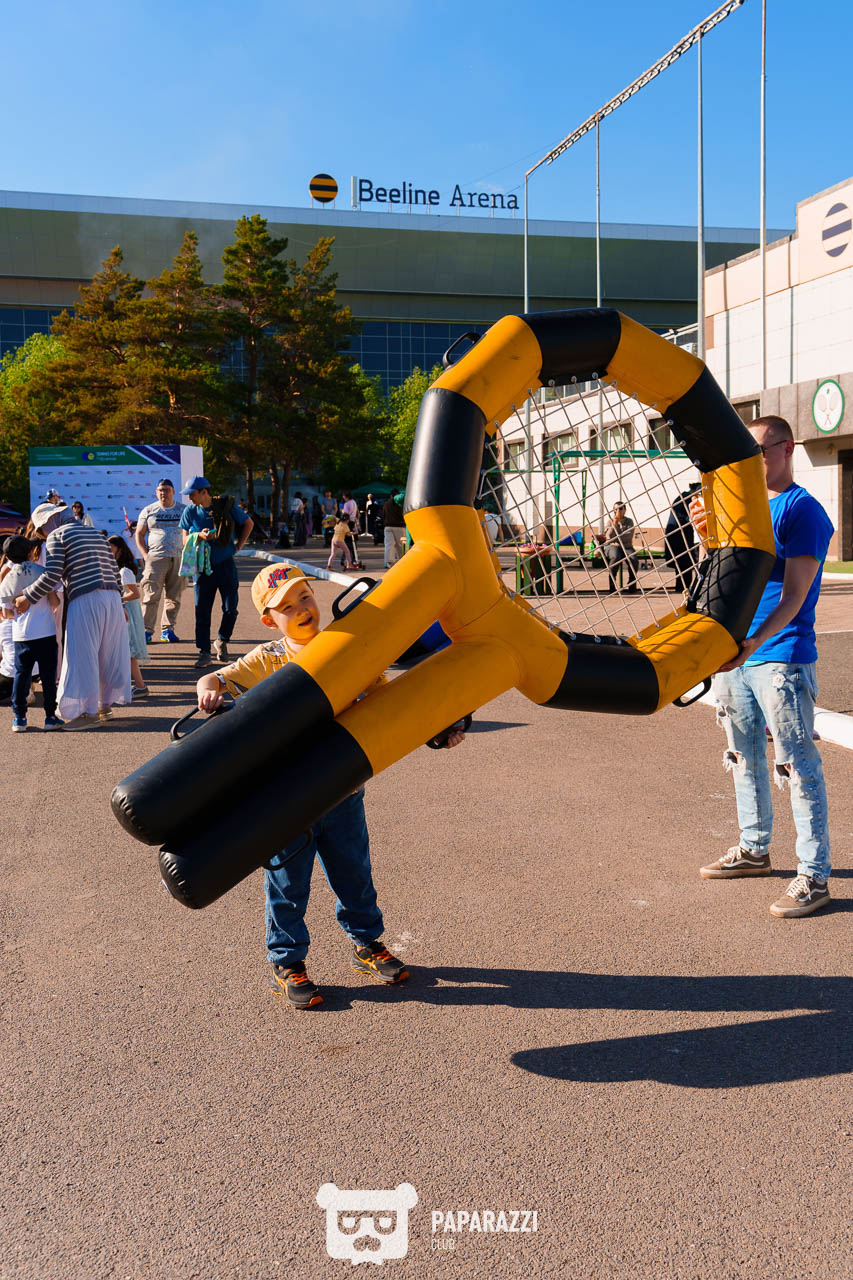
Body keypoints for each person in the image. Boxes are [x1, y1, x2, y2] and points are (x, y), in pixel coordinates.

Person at [195, 563, 465, 1008]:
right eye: (287, 606)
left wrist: (439, 730)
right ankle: (287, 962)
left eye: (305, 598)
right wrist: (208, 689)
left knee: (354, 873)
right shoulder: (270, 659)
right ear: (269, 619)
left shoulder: (346, 649)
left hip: (342, 791)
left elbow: (391, 704)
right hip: (286, 799)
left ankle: (367, 944)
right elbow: (217, 679)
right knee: (287, 882)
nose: (301, 609)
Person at [694, 415, 835, 918]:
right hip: (738, 653)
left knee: (796, 764)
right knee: (743, 756)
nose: (749, 460)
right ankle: (754, 848)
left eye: (758, 450)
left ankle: (814, 875)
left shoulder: (803, 512)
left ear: (786, 448)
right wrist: (707, 532)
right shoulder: (743, 508)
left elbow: (796, 596)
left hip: (780, 656)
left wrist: (752, 642)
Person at [12, 504, 130, 730]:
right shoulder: (93, 532)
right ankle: (105, 706)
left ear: (49, 522)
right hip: (112, 598)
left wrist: (27, 597)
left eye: (41, 530)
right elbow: (114, 571)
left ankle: (88, 713)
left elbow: (53, 574)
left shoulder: (57, 535)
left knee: (82, 656)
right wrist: (121, 603)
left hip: (85, 599)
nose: (42, 535)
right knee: (107, 654)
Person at [179, 477, 253, 669]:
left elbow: (248, 523)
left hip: (225, 564)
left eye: (192, 494)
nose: (190, 498)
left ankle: (222, 639)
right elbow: (184, 537)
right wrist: (199, 535)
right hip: (202, 568)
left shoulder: (225, 506)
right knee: (202, 611)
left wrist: (239, 546)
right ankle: (204, 652)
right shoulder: (190, 512)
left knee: (231, 609)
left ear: (204, 492)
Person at [0, 535, 63, 731]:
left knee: (21, 675)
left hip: (21, 635)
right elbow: (55, 603)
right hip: (45, 631)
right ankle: (50, 717)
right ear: (30, 552)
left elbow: (6, 613)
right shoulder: (43, 572)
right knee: (48, 675)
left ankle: (19, 718)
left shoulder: (7, 580)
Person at [136, 479, 185, 643]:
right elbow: (139, 534)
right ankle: (146, 631)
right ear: (156, 492)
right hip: (156, 559)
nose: (163, 493)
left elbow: (190, 532)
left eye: (167, 489)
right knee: (150, 596)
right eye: (160, 490)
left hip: (178, 558)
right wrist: (145, 555)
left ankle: (168, 630)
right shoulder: (149, 510)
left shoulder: (183, 510)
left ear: (173, 491)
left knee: (174, 596)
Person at [108, 536, 148, 697]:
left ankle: (140, 686)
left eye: (111, 547)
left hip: (128, 614)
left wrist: (117, 599)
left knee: (128, 652)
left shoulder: (124, 571)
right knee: (125, 653)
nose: (108, 551)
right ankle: (136, 685)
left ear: (120, 549)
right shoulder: (118, 569)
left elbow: (135, 593)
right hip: (123, 612)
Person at [664, 483, 701, 596]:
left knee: (682, 564)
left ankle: (682, 587)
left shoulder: (683, 496)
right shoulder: (687, 499)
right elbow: (690, 517)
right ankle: (685, 589)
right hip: (680, 536)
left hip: (678, 535)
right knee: (685, 563)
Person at [601, 501, 638, 593]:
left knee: (633, 559)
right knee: (615, 557)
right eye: (615, 509)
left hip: (627, 546)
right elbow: (608, 537)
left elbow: (628, 536)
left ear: (625, 510)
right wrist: (614, 523)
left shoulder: (629, 521)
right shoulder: (610, 521)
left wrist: (616, 538)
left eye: (620, 508)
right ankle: (612, 585)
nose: (618, 511)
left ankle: (632, 584)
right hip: (613, 546)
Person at [383, 492, 406, 568]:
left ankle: (388, 562)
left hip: (388, 526)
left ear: (391, 495)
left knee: (389, 545)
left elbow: (383, 514)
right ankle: (403, 561)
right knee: (401, 545)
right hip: (400, 526)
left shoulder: (386, 504)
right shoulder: (401, 504)